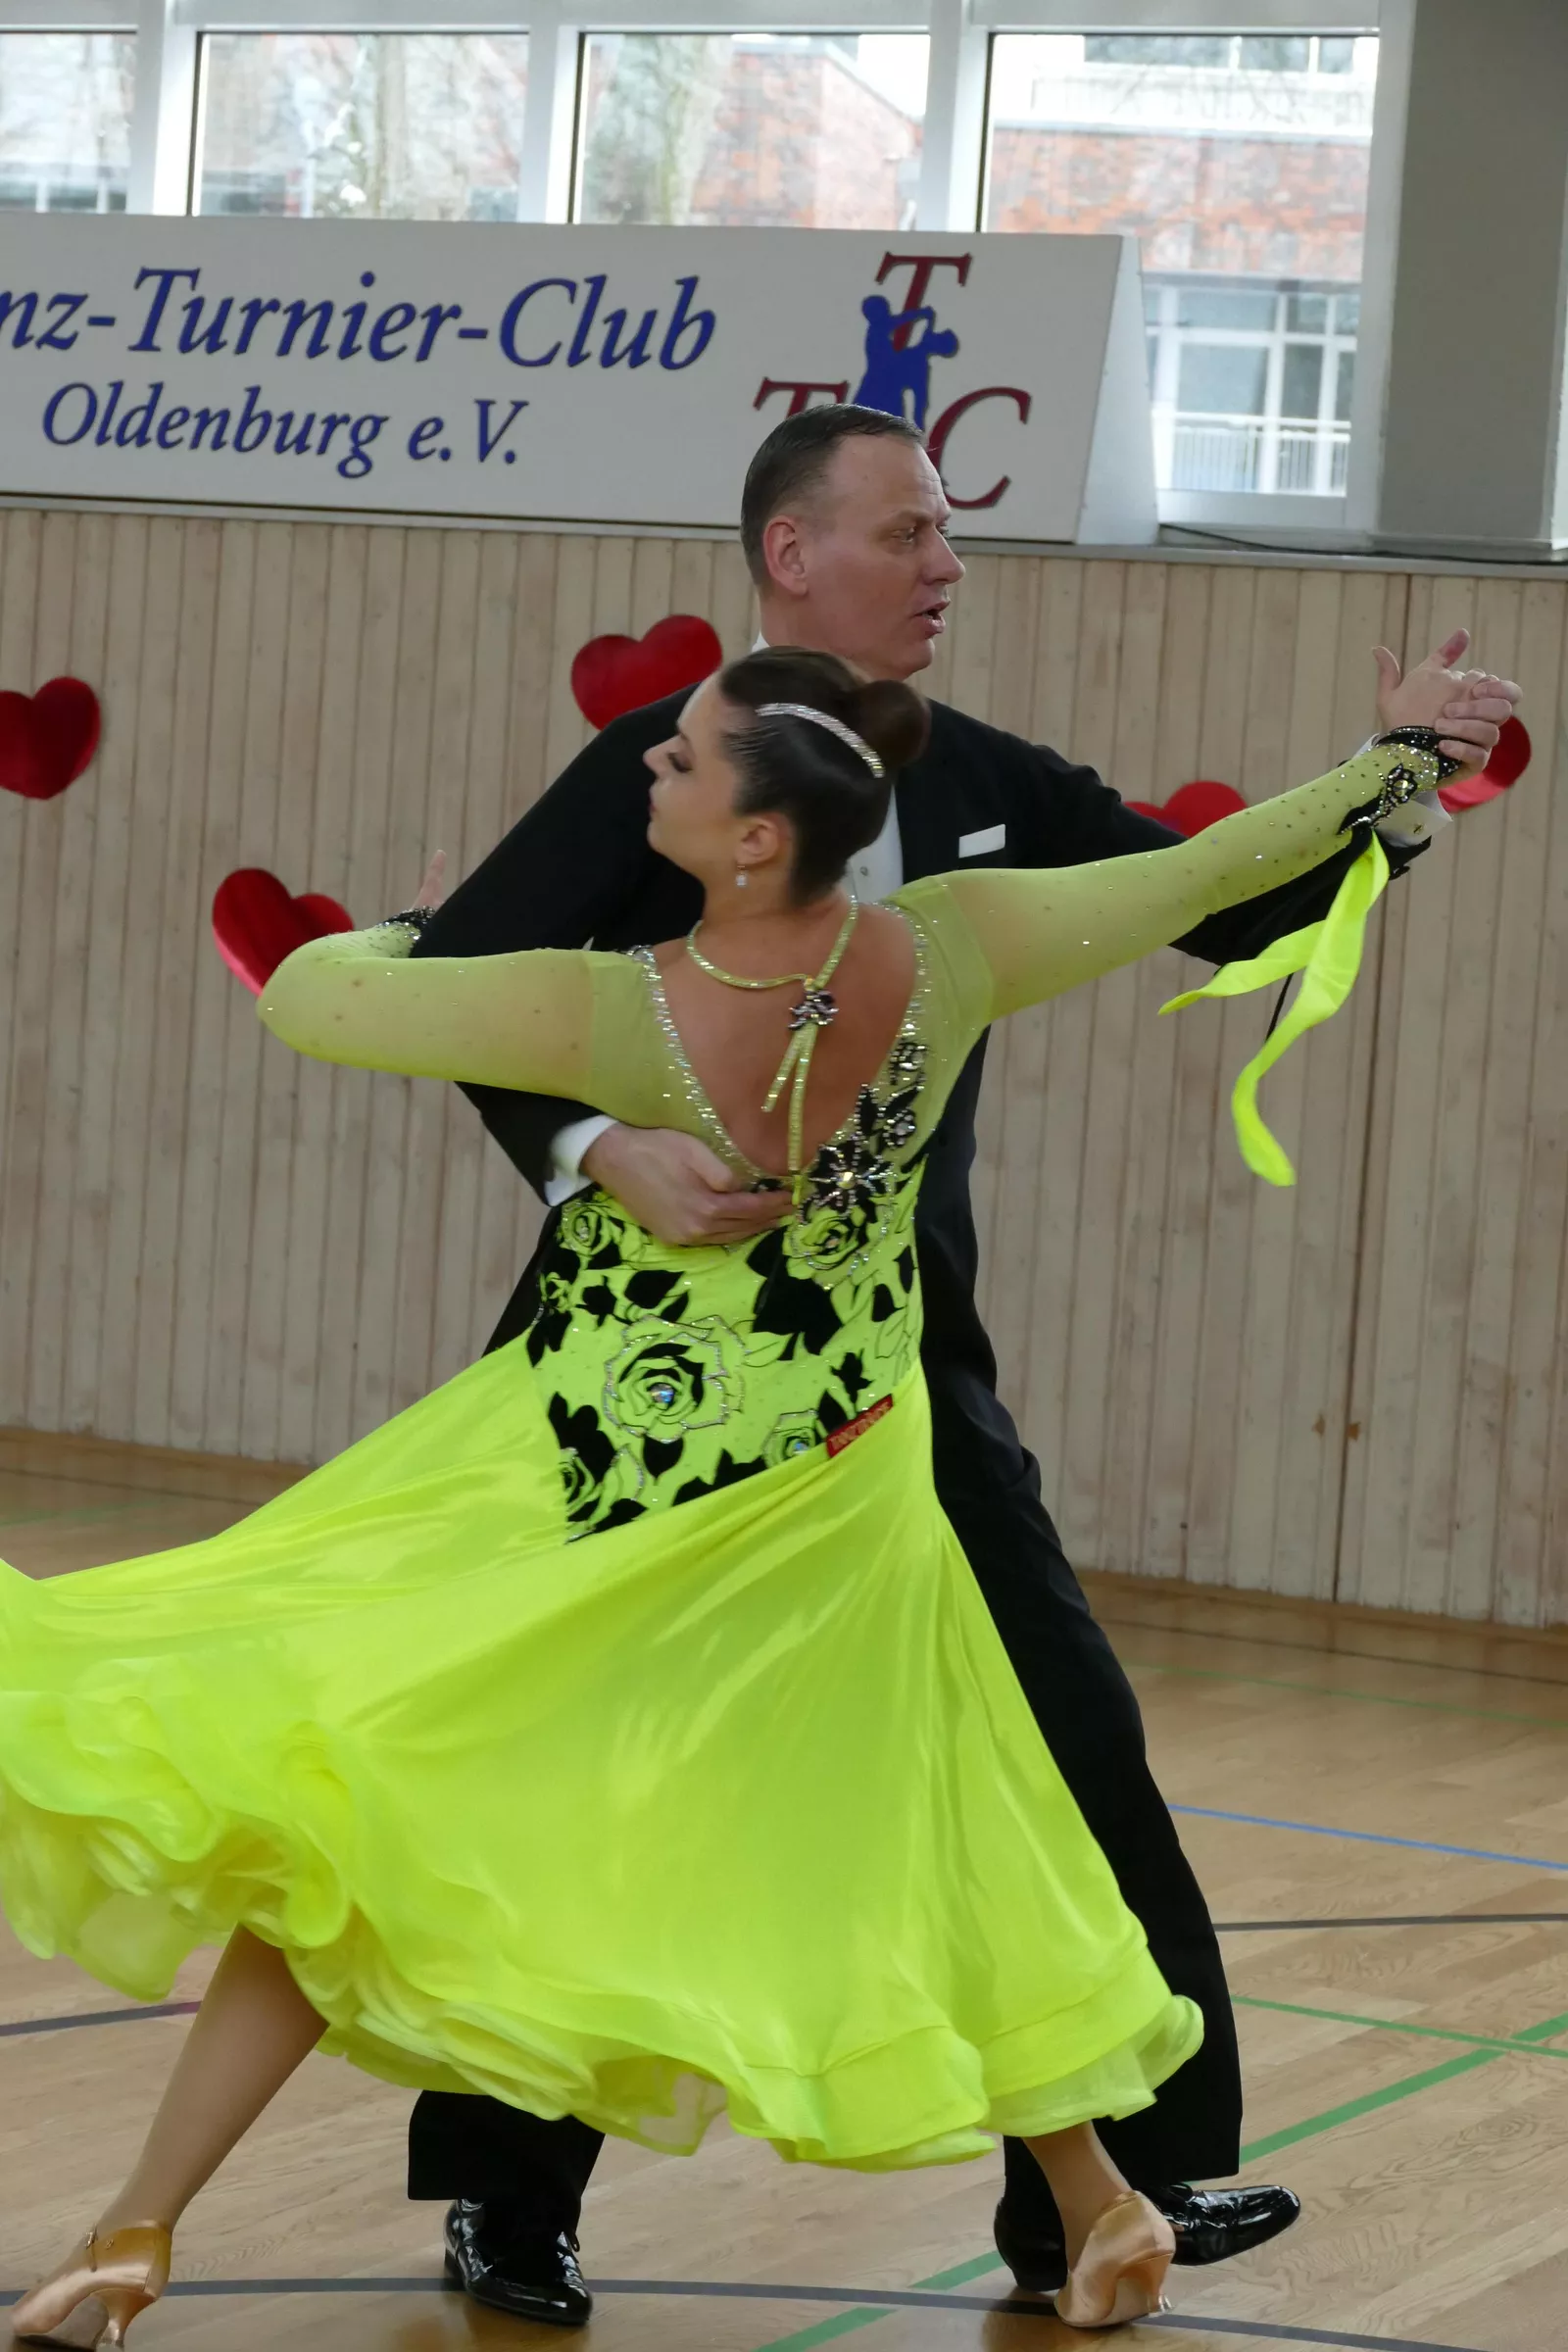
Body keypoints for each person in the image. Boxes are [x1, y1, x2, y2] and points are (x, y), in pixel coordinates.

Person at [2, 645, 1480, 2347]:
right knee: (936, 1844)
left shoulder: (606, 1008)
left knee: (345, 1827)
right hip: (837, 1490)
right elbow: (1210, 871)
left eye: (685, 760)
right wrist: (1397, 761)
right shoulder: (953, 954)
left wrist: (411, 931)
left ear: (757, 837)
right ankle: (1100, 2203)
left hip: (604, 1486)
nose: (651, 767)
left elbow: (309, 1000)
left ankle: (137, 2232)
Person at [403, 405, 1521, 2327]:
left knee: (1067, 1744)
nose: (947, 563)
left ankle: (1120, 2193)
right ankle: (508, 2197)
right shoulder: (660, 768)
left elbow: (1222, 894)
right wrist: (595, 1147)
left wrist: (1395, 778)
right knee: (593, 1772)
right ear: (790, 556)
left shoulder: (987, 781)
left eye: (949, 531)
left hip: (899, 1379)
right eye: (908, 530)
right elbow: (459, 982)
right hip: (653, 1385)